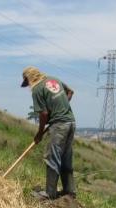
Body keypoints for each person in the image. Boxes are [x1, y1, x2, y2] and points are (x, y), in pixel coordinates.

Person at [21, 66, 76, 199]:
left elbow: (44, 114)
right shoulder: (54, 79)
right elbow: (70, 92)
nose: (28, 85)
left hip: (58, 125)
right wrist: (61, 107)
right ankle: (69, 191)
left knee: (52, 157)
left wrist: (39, 133)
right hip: (70, 122)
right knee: (65, 158)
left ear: (30, 78)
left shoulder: (37, 89)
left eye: (27, 82)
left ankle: (49, 193)